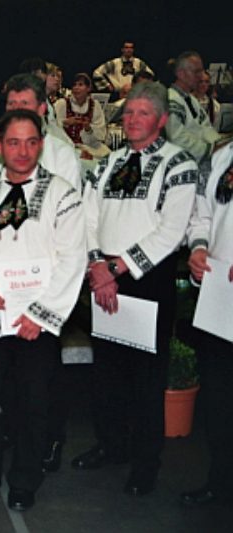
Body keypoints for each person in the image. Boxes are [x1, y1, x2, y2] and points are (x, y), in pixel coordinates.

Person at [0, 109, 86, 511]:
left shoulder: (63, 194)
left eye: (31, 142)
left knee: (32, 402)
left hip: (37, 321)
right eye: (13, 142)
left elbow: (72, 259)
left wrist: (40, 314)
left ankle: (26, 480)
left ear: (42, 145)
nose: (23, 150)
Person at [73, 81, 198, 497]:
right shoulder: (107, 163)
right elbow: (89, 217)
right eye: (127, 113)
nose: (131, 119)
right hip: (103, 274)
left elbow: (172, 230)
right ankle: (111, 445)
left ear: (161, 120)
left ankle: (145, 464)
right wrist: (96, 264)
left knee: (146, 378)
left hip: (147, 278)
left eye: (142, 113)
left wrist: (117, 268)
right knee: (107, 372)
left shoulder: (179, 164)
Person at [182, 139, 233, 506]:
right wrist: (198, 247)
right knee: (219, 399)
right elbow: (202, 213)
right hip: (219, 298)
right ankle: (221, 481)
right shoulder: (222, 154)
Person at [0, 74, 82, 191]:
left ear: (41, 109)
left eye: (25, 103)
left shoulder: (63, 155)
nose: (17, 110)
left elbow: (70, 205)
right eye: (12, 104)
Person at [166, 51, 220, 166]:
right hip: (180, 164)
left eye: (201, 70)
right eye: (197, 72)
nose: (201, 76)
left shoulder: (191, 99)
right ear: (181, 74)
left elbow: (205, 127)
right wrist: (210, 150)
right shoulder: (170, 100)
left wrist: (218, 145)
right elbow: (177, 138)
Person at [54, 73, 109, 157]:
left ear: (88, 88)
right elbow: (52, 126)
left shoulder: (94, 105)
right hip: (67, 146)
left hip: (89, 146)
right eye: (74, 85)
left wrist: (88, 128)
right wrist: (65, 123)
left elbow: (100, 133)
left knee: (106, 155)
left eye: (80, 85)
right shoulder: (62, 104)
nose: (76, 88)